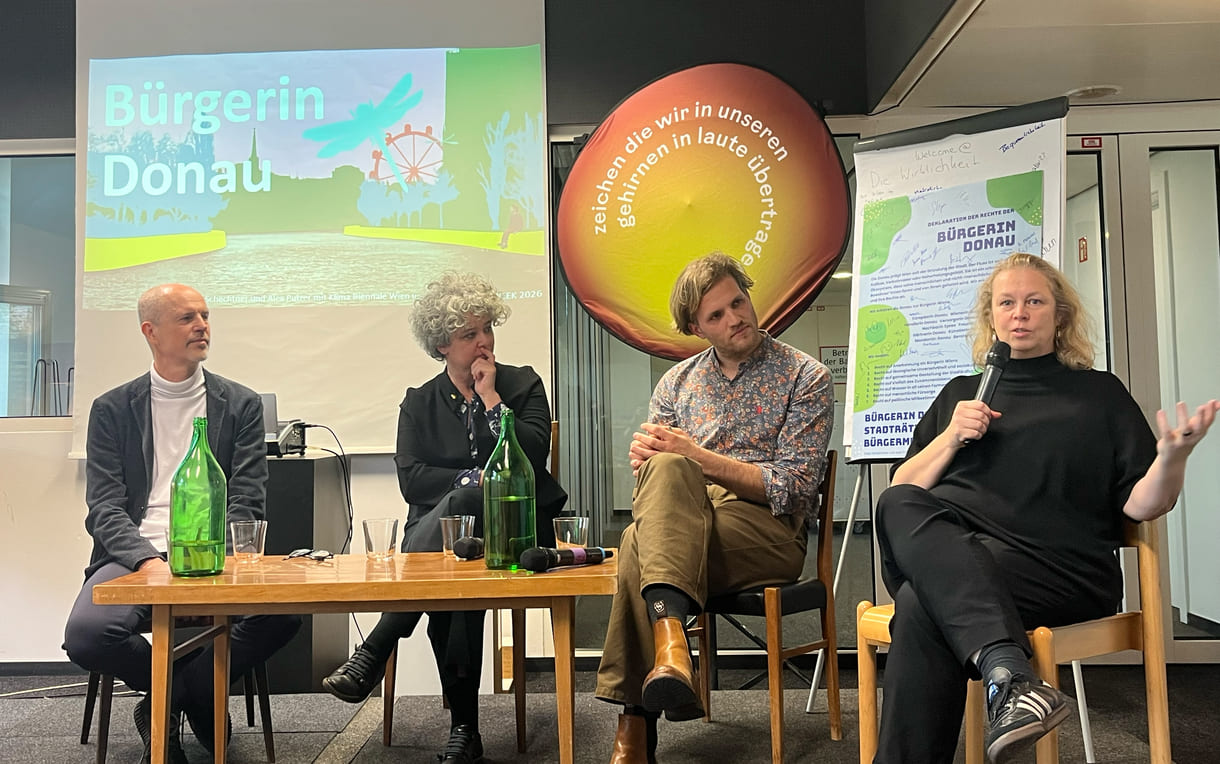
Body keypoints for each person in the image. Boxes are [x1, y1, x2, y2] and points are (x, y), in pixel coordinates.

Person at [873, 252, 1219, 764]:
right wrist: (950, 437)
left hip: (1059, 568)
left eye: (1034, 301)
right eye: (1006, 303)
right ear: (991, 317)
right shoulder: (961, 394)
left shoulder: (1099, 394)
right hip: (965, 565)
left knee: (923, 607)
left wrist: (1172, 458)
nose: (1019, 314)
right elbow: (904, 489)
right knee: (899, 501)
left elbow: (1146, 505)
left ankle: (1006, 672)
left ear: (1059, 315)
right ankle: (1009, 675)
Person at [595, 252, 834, 763]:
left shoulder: (805, 376)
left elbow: (793, 488)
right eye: (716, 316)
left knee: (638, 545)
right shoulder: (676, 383)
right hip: (687, 520)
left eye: (737, 303)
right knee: (662, 478)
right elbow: (654, 488)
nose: (735, 319)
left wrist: (697, 457)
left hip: (767, 528)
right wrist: (649, 462)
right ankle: (671, 650)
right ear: (694, 328)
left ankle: (636, 719)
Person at [322, 271, 566, 763]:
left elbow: (532, 456)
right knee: (454, 579)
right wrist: (471, 481)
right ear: (440, 345)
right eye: (468, 335)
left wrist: (492, 399)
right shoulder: (419, 401)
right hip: (443, 540)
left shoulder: (522, 384)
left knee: (461, 516)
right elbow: (411, 479)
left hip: (518, 532)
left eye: (487, 330)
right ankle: (464, 733)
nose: (483, 343)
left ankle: (379, 645)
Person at [62, 284, 301, 763]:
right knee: (87, 635)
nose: (202, 326)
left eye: (205, 315)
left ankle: (172, 700)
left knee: (283, 613)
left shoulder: (241, 404)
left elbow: (247, 498)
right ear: (150, 332)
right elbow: (104, 507)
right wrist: (146, 559)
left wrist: (219, 558)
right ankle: (195, 697)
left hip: (215, 553)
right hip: (135, 553)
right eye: (187, 317)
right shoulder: (111, 409)